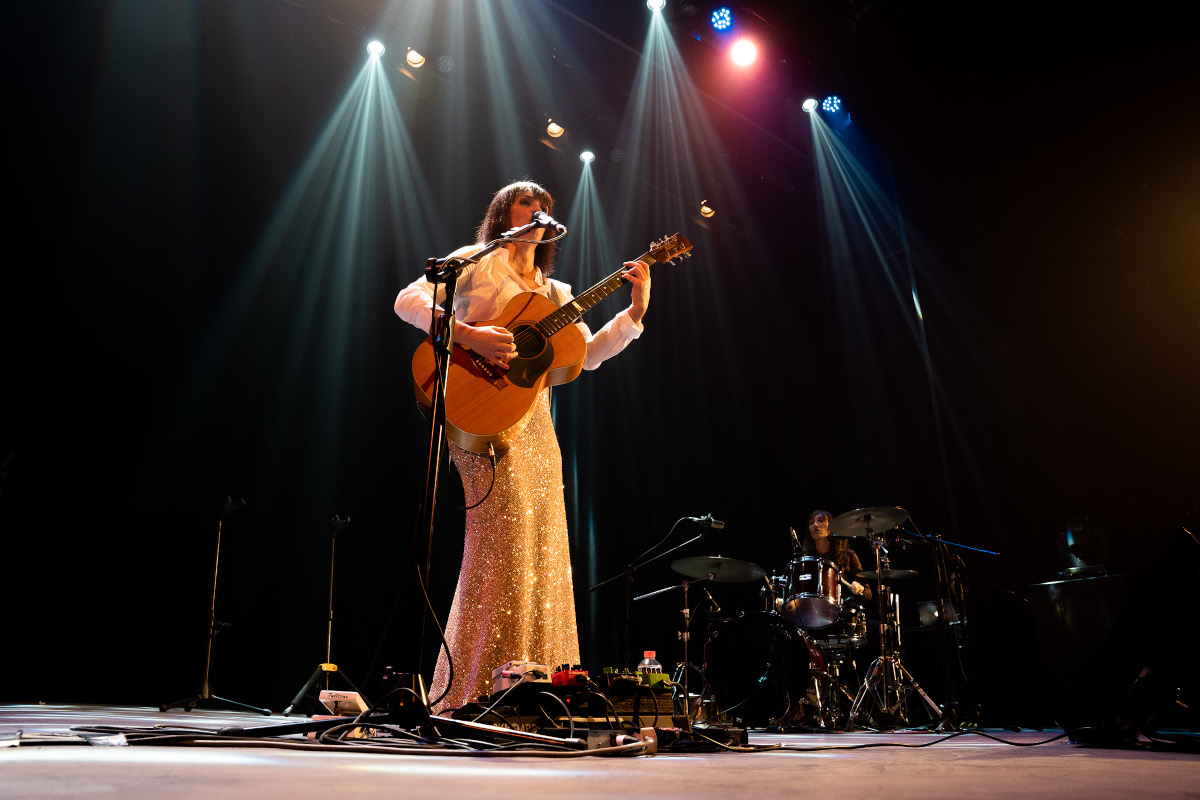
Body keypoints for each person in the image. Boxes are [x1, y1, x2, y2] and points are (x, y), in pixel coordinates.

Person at [393, 180, 651, 713]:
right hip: (478, 414)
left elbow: (585, 357)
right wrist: (465, 333)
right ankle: (477, 685)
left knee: (544, 551)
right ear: (503, 213)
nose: (538, 210)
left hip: (533, 423)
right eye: (527, 202)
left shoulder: (556, 294)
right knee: (499, 548)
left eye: (545, 206)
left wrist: (634, 314)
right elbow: (407, 300)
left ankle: (536, 689)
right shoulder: (476, 261)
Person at [798, 509, 872, 602]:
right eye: (811, 522)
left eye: (821, 521)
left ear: (833, 527)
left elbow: (868, 593)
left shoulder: (848, 555)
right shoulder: (804, 558)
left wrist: (860, 589)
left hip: (841, 611)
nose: (815, 525)